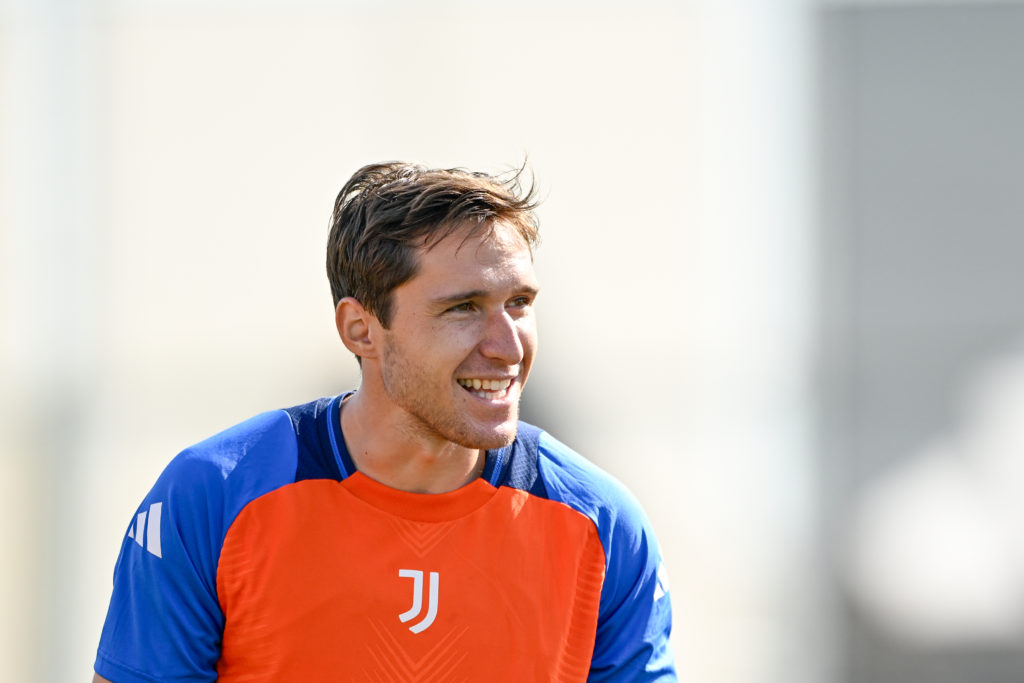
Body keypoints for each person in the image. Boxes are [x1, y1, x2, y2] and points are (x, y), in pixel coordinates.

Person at [93, 162, 676, 681]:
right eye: (463, 308)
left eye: (519, 303)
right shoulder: (212, 497)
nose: (507, 346)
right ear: (361, 329)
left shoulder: (601, 523)